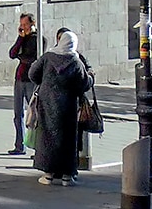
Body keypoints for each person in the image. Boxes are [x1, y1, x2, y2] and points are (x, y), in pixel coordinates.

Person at [30, 28, 91, 186]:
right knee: (67, 140)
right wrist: (91, 77)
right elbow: (84, 84)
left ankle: (48, 174)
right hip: (68, 105)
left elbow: (32, 74)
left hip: (47, 103)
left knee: (47, 137)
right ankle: (66, 176)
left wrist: (44, 83)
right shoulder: (75, 61)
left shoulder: (48, 57)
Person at [7, 12, 39, 155]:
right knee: (17, 113)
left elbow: (32, 59)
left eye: (25, 25)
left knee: (33, 113)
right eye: (21, 25)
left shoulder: (38, 39)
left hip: (31, 80)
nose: (23, 27)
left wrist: (21, 56)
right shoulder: (23, 39)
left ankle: (37, 146)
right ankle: (19, 145)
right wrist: (20, 39)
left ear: (32, 24)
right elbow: (12, 53)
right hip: (19, 79)